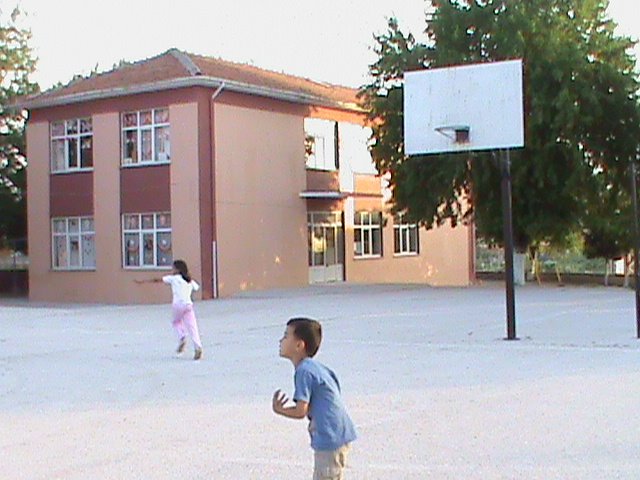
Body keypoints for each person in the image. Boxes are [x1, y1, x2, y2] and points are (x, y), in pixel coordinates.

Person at [273, 317, 356, 480]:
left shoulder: (303, 371)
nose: (280, 340)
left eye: (285, 336)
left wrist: (280, 409)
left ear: (299, 345)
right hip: (338, 434)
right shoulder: (316, 368)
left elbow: (300, 411)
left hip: (329, 438)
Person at [135, 259, 203, 360]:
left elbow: (157, 280)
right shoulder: (189, 280)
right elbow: (197, 287)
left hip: (178, 305)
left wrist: (143, 282)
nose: (172, 269)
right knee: (193, 327)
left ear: (178, 269)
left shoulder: (173, 278)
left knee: (176, 322)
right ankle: (198, 347)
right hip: (188, 305)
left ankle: (182, 336)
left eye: (174, 268)